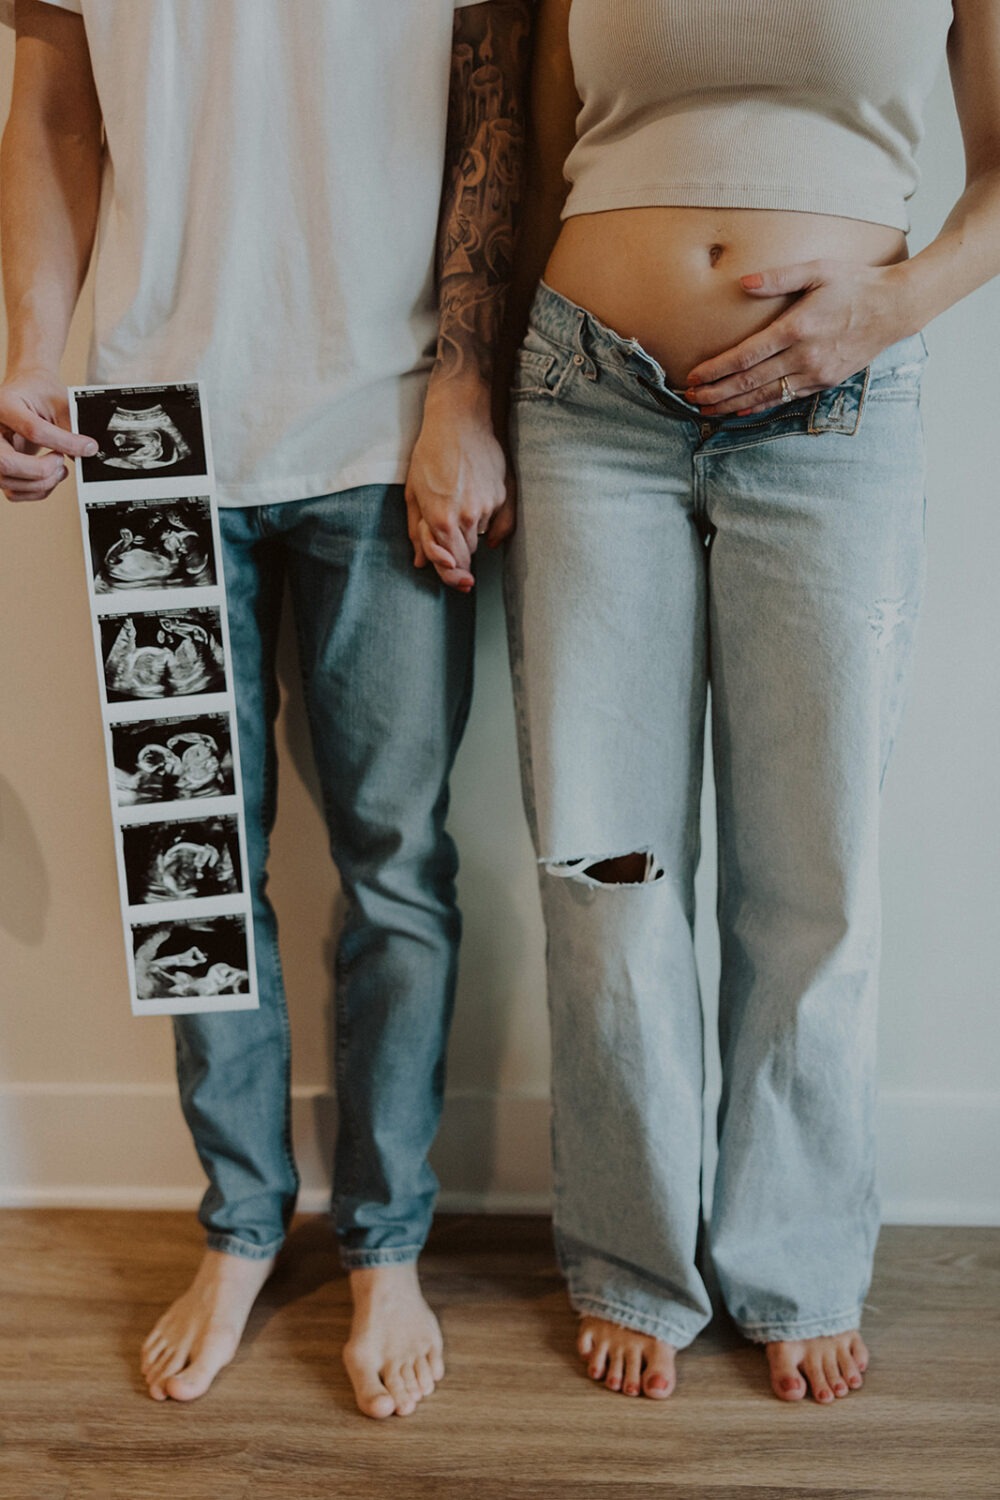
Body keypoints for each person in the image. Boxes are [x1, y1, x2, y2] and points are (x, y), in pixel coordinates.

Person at [0, 0, 532, 1417]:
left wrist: (467, 388)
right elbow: (56, 110)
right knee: (191, 873)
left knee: (398, 869)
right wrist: (30, 353)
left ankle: (385, 1242)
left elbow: (498, 103)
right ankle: (240, 1225)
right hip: (146, 426)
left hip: (389, 415)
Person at [504, 0, 1000, 1406]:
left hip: (837, 417)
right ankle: (631, 1254)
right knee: (609, 867)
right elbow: (538, 159)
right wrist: (469, 405)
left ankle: (794, 1259)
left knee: (812, 873)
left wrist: (890, 305)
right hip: (586, 397)